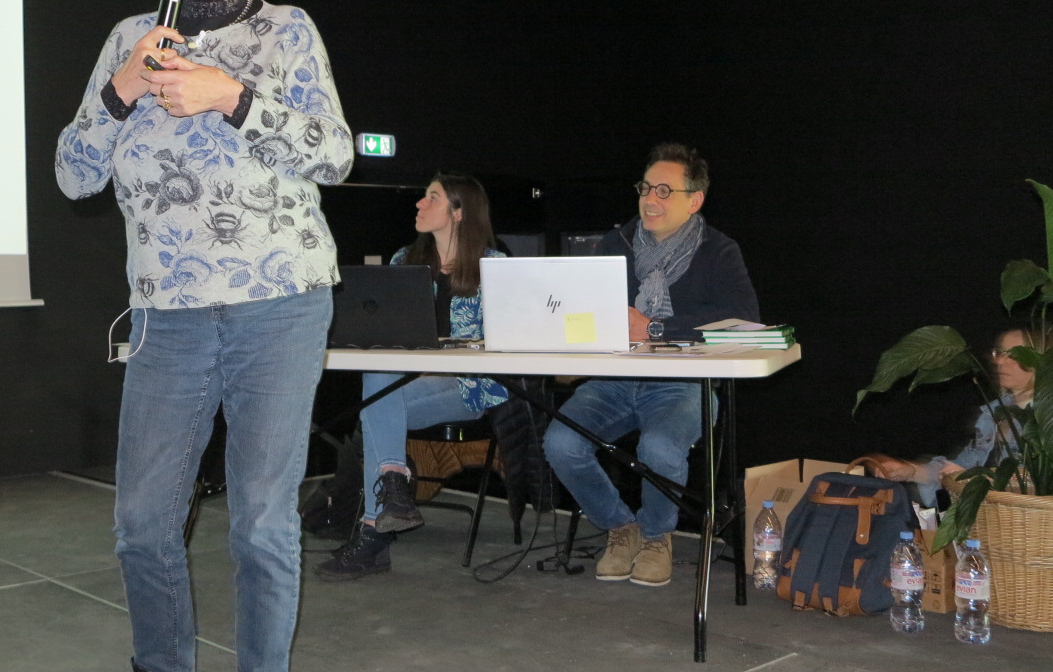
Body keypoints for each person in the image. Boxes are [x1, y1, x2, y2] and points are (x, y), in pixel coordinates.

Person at [54, 0, 352, 672]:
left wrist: (233, 98)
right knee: (142, 520)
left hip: (278, 307)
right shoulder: (127, 39)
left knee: (262, 523)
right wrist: (118, 92)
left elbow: (335, 153)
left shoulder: (289, 31)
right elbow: (71, 177)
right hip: (169, 316)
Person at [543, 143, 759, 588]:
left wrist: (656, 329)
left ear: (694, 200)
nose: (650, 199)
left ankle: (658, 538)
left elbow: (745, 322)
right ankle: (622, 528)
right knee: (561, 441)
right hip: (615, 380)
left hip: (684, 385)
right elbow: (582, 308)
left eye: (665, 190)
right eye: (646, 187)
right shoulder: (615, 242)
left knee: (659, 449)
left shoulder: (718, 251)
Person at [315, 174, 508, 581]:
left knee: (375, 402)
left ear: (458, 212)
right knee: (378, 377)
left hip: (469, 386)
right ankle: (389, 494)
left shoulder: (494, 267)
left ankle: (376, 530)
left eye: (432, 198)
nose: (419, 205)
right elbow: (386, 331)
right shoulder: (405, 260)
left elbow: (507, 344)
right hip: (408, 383)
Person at [869, 325, 1053, 505]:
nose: (999, 361)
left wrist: (977, 479)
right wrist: (910, 471)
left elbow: (1043, 487)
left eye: (1013, 355)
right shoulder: (993, 413)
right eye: (999, 353)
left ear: (1040, 359)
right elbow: (959, 466)